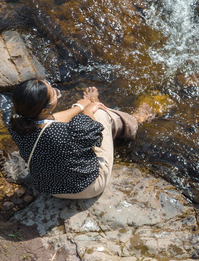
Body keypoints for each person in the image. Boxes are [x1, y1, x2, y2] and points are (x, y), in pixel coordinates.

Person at [8, 78, 150, 199]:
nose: (56, 92)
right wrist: (90, 107)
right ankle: (136, 121)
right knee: (100, 113)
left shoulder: (16, 124)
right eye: (54, 93)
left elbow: (47, 122)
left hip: (50, 188)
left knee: (79, 118)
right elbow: (94, 132)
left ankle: (90, 106)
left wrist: (80, 106)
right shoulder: (66, 133)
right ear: (45, 109)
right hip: (86, 187)